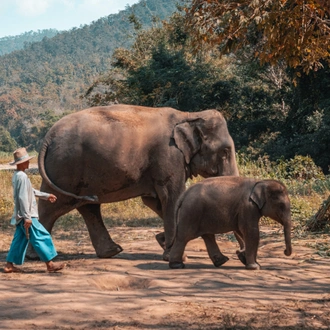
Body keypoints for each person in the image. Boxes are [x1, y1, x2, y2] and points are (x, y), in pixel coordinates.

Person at [4, 147, 65, 273]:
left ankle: (9, 265)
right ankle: (50, 264)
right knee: (41, 236)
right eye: (27, 161)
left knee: (19, 240)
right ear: (21, 163)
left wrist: (46, 196)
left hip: (21, 215)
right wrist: (27, 217)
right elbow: (22, 197)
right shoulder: (22, 177)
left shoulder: (18, 176)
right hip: (27, 215)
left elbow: (30, 192)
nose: (28, 163)